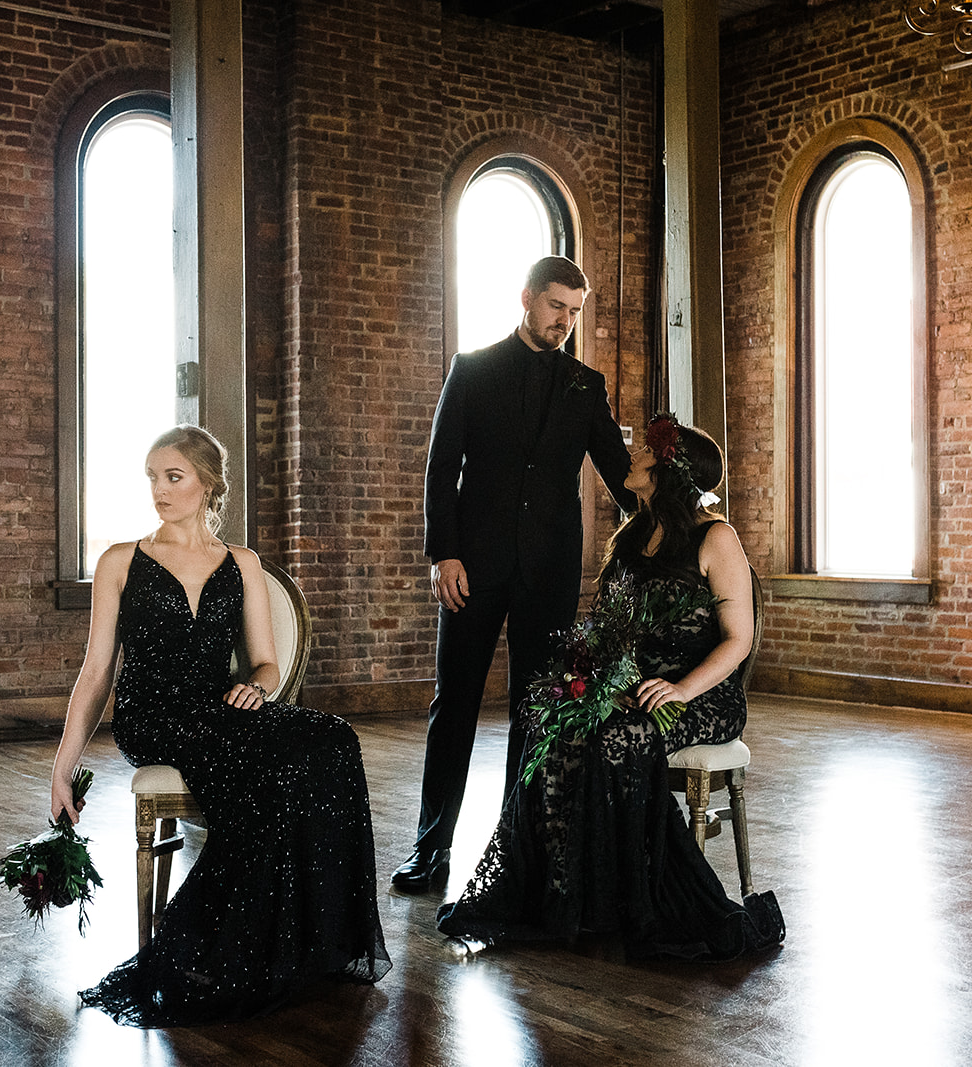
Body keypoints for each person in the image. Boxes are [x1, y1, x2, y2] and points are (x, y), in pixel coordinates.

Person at [48, 425, 389, 1027]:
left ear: (208, 484)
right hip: (153, 715)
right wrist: (62, 766)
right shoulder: (121, 561)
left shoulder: (242, 564)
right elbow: (97, 669)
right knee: (263, 782)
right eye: (152, 477)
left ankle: (313, 943)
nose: (159, 489)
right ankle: (216, 953)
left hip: (220, 708)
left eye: (173, 476)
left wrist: (256, 686)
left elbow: (265, 660)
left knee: (334, 739)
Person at [435, 414, 784, 960]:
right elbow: (605, 626)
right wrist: (593, 683)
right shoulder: (631, 536)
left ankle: (625, 901)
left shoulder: (716, 537)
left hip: (701, 691)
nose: (634, 455)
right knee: (547, 724)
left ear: (666, 470)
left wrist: (682, 689)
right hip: (628, 684)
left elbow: (737, 640)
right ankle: (562, 893)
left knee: (619, 740)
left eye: (644, 451)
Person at [393, 255, 637, 892]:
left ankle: (515, 850)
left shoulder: (586, 385)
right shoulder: (472, 371)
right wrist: (443, 553)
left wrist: (681, 502)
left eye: (575, 312)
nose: (565, 321)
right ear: (527, 298)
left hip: (549, 571)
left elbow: (620, 473)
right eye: (557, 306)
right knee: (456, 705)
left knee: (536, 711)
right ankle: (430, 850)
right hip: (472, 566)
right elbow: (441, 468)